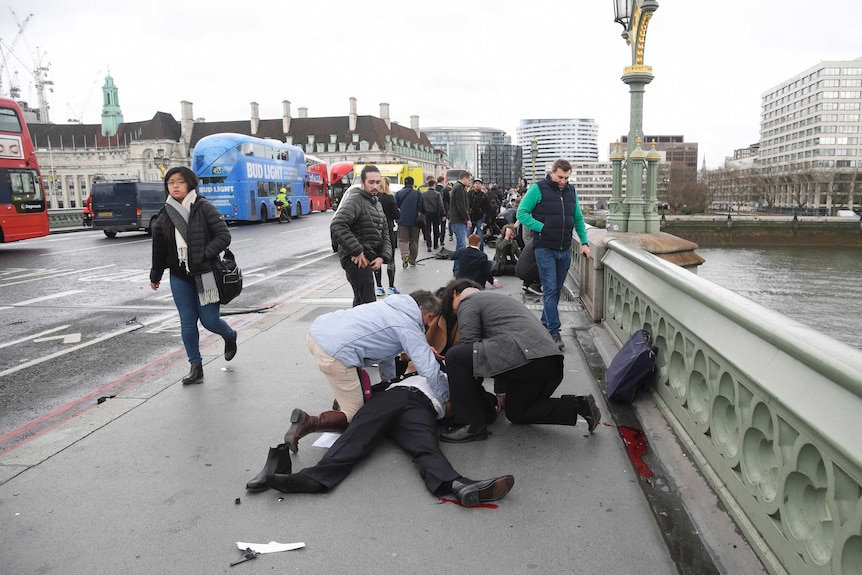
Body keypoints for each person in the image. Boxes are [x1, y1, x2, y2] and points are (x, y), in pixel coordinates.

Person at [255, 373, 515, 508]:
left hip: (421, 408)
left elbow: (485, 409)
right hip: (395, 397)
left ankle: (458, 484)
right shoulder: (413, 373)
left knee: (425, 447)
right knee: (358, 435)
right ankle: (314, 478)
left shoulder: (465, 386)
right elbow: (366, 392)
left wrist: (492, 403)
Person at [282, 290, 450, 453]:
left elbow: (386, 355)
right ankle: (309, 422)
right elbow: (428, 367)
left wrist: (389, 384)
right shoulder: (408, 324)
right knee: (356, 416)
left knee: (352, 385)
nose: (428, 324)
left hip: (318, 333)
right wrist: (446, 398)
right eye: (429, 318)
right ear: (421, 309)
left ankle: (340, 400)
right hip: (336, 352)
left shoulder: (392, 306)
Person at [439, 284, 600, 443]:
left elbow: (470, 347)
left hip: (526, 357)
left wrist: (469, 398)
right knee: (517, 412)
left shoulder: (468, 301)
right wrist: (500, 392)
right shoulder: (498, 302)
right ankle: (578, 405)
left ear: (455, 293)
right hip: (547, 361)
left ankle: (471, 425)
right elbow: (496, 351)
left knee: (455, 356)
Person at [149, 166, 238, 385]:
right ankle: (195, 367)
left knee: (209, 321)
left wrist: (204, 254)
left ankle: (229, 335)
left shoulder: (203, 207)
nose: (175, 186)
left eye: (179, 181)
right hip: (179, 276)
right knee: (187, 323)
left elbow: (223, 236)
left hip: (205, 273)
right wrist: (156, 274)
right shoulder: (165, 213)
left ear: (190, 183)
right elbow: (158, 248)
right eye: (171, 183)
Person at [517, 158, 590, 350]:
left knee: (556, 291)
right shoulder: (537, 189)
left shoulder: (571, 192)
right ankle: (554, 332)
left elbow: (578, 219)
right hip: (544, 248)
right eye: (560, 177)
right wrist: (542, 227)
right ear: (552, 172)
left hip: (564, 249)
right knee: (549, 289)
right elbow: (522, 213)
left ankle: (543, 325)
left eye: (566, 177)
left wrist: (584, 242)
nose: (564, 181)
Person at [330, 165, 392, 307]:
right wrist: (356, 250)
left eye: (377, 182)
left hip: (370, 258)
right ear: (363, 183)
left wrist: (382, 257)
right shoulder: (355, 200)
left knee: (362, 302)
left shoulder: (377, 203)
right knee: (367, 303)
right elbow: (337, 224)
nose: (375, 185)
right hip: (356, 260)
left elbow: (385, 233)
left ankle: (356, 328)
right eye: (371, 182)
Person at [373, 178, 401, 296]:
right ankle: (390, 286)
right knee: (390, 259)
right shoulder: (389, 198)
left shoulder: (373, 199)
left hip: (374, 232)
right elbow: (396, 215)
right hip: (388, 231)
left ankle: (379, 286)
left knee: (376, 258)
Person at [394, 176, 425, 267]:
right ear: (413, 183)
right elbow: (423, 207)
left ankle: (404, 256)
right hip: (415, 221)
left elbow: (395, 206)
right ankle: (412, 260)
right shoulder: (418, 194)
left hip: (403, 220)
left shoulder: (399, 194)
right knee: (414, 241)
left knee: (403, 240)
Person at [447, 171, 472, 251]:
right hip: (458, 220)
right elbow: (461, 206)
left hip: (456, 219)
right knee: (462, 244)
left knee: (460, 243)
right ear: (464, 178)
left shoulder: (457, 187)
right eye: (469, 180)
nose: (469, 182)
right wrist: (467, 219)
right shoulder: (459, 188)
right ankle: (459, 263)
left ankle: (458, 263)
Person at [468, 179, 493, 250]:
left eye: (479, 183)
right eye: (476, 183)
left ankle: (480, 253)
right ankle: (469, 252)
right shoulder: (469, 194)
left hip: (480, 218)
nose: (477, 185)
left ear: (481, 185)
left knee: (480, 238)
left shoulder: (484, 196)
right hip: (470, 218)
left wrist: (486, 221)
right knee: (468, 236)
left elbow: (488, 209)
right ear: (473, 185)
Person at [422, 176, 443, 251]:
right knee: (436, 229)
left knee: (427, 230)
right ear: (434, 185)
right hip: (435, 213)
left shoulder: (424, 194)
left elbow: (422, 204)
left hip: (427, 213)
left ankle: (429, 245)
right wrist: (443, 214)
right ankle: (435, 244)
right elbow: (440, 204)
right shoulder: (437, 194)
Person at [437, 175, 449, 247]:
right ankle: (442, 240)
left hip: (435, 210)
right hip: (443, 210)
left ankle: (436, 239)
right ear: (442, 181)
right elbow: (448, 200)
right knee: (443, 226)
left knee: (435, 225)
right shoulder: (445, 189)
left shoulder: (434, 188)